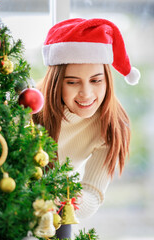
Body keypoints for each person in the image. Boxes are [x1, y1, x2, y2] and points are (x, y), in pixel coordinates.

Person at [33, 18, 140, 239]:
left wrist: (62, 200)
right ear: (56, 81)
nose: (87, 94)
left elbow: (92, 191)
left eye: (96, 80)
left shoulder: (112, 126)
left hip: (56, 204)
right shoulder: (30, 107)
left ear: (107, 80)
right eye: (72, 82)